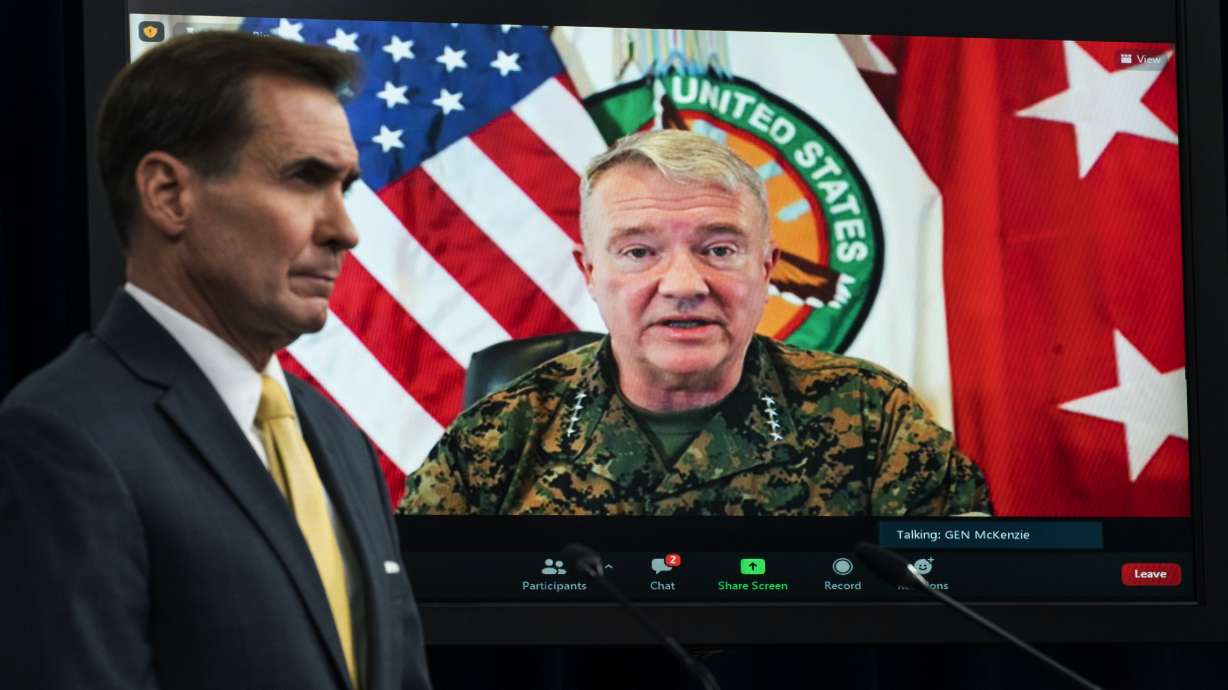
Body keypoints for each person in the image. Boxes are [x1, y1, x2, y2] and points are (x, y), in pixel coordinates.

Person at [0, 32, 431, 689]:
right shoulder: (59, 437)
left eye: (344, 185)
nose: (345, 228)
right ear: (169, 195)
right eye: (304, 179)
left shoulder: (338, 440)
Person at [399, 129, 990, 517]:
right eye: (638, 252)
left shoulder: (871, 416)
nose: (684, 285)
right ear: (590, 273)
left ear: (767, 269)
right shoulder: (500, 437)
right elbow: (404, 619)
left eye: (719, 249)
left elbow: (971, 610)